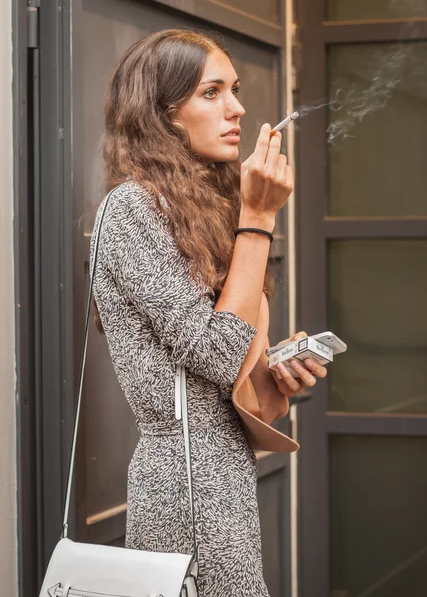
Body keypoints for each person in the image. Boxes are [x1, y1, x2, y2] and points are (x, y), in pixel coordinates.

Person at [91, 29, 327, 597]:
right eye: (212, 92)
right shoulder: (130, 211)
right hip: (186, 490)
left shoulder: (202, 211)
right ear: (163, 114)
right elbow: (220, 355)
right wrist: (259, 219)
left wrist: (276, 376)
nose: (238, 108)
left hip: (222, 477)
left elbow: (233, 371)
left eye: (235, 89)